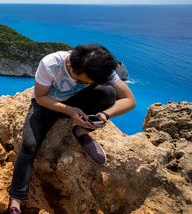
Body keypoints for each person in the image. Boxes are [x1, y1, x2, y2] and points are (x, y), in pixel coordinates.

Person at [8, 43, 136, 214]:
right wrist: (67, 110)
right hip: (48, 103)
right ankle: (15, 201)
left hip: (78, 102)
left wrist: (105, 115)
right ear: (70, 66)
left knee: (108, 93)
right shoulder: (51, 64)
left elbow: (129, 100)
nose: (85, 84)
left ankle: (81, 131)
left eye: (89, 83)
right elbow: (40, 97)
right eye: (82, 81)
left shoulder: (100, 68)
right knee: (29, 144)